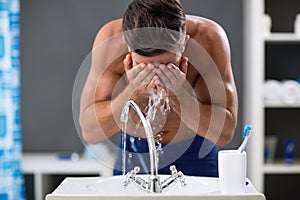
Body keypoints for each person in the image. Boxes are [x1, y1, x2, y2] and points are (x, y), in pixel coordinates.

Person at [80, 0, 238, 177]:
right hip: (135, 153)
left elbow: (225, 133)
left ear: (184, 43)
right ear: (128, 45)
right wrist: (132, 93)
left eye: (167, 66)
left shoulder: (208, 38)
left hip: (197, 152)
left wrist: (179, 94)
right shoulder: (111, 41)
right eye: (143, 67)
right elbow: (90, 132)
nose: (156, 78)